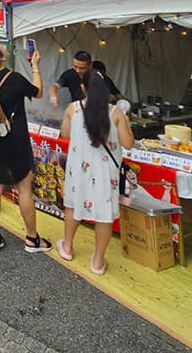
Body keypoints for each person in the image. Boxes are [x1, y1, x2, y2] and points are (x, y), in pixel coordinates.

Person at [0, 41, 50, 254]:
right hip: (14, 142)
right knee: (24, 188)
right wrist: (35, 66)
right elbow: (38, 92)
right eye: (0, 46)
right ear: (1, 56)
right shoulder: (14, 79)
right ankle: (32, 239)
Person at [56, 72, 135, 274]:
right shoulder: (116, 113)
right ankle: (98, 261)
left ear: (83, 88)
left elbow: (64, 134)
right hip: (105, 172)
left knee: (73, 205)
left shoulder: (72, 109)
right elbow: (128, 144)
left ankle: (67, 246)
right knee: (104, 215)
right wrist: (126, 122)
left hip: (78, 169)